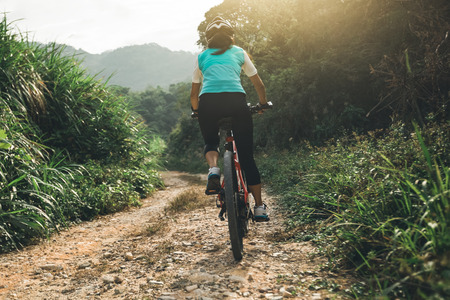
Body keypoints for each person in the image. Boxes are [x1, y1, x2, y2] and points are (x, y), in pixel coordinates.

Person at [190, 16, 270, 221]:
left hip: (208, 103)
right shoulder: (239, 52)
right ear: (231, 36)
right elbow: (259, 85)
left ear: (208, 39)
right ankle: (259, 207)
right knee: (247, 158)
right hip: (236, 102)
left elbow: (193, 93)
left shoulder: (202, 57)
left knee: (210, 141)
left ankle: (214, 169)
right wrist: (262, 104)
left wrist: (197, 110)